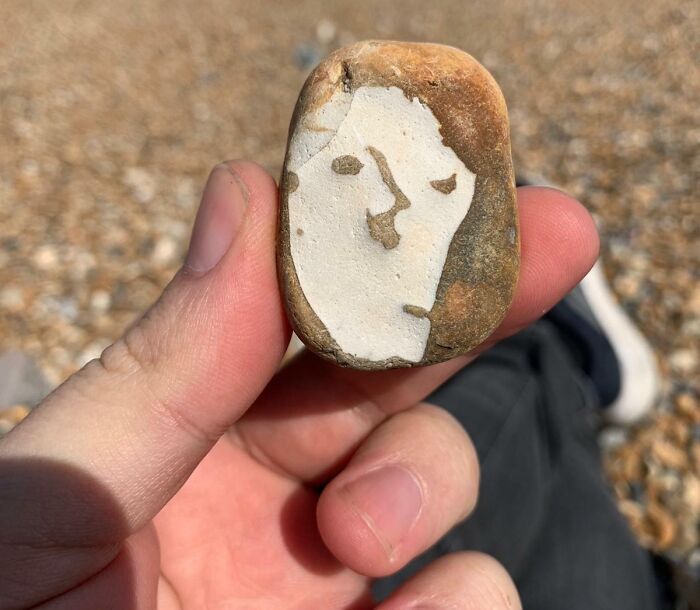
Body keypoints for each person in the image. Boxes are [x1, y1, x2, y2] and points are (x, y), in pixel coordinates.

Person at [0, 161, 659, 609]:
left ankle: (550, 366)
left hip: (259, 533)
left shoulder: (46, 562)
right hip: (338, 549)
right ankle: (549, 352)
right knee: (533, 437)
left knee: (513, 429)